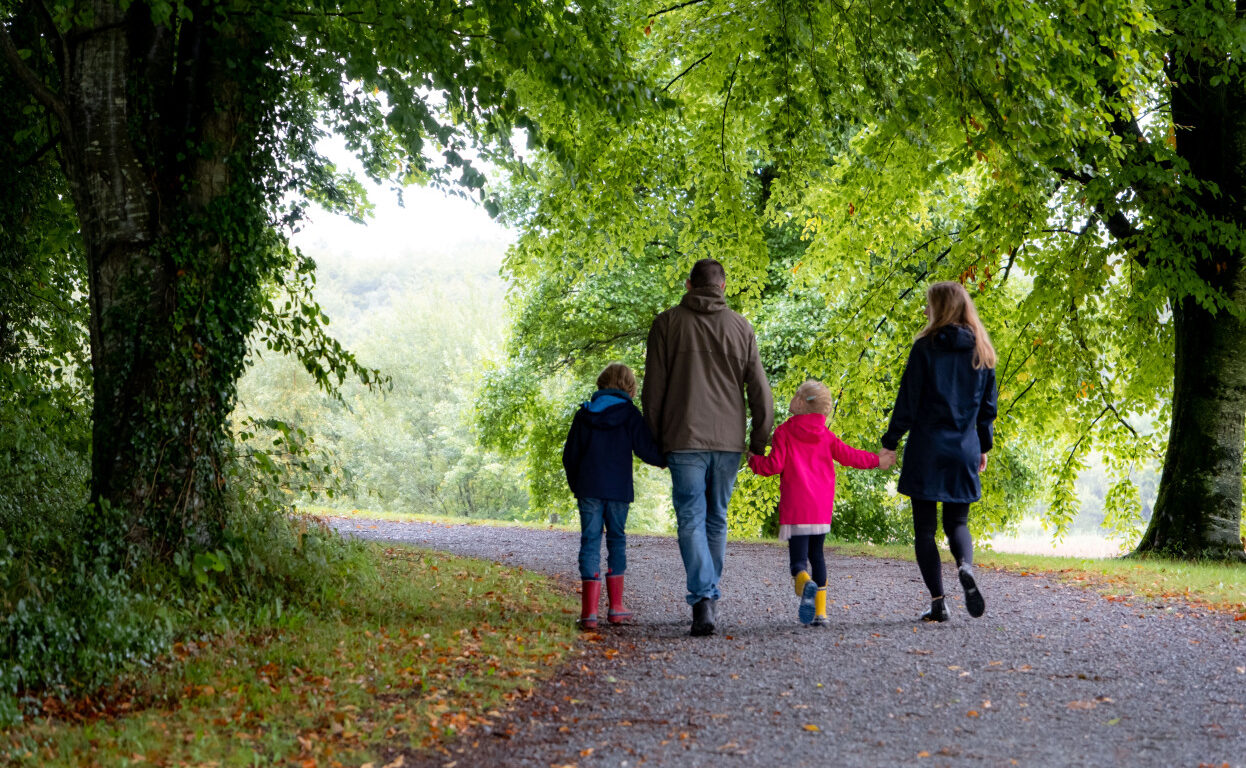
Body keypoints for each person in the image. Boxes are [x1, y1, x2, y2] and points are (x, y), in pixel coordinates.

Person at [642, 258, 774, 637]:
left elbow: (653, 390)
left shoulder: (666, 324)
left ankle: (703, 597)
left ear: (688, 285)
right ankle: (708, 597)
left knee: (691, 517)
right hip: (729, 442)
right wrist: (758, 441)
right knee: (716, 517)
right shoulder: (741, 327)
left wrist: (656, 439)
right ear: (723, 286)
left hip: (684, 438)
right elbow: (761, 391)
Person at [878, 281, 998, 622]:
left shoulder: (925, 348)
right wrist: (983, 447)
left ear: (941, 308)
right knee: (957, 522)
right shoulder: (982, 351)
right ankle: (965, 566)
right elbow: (987, 409)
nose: (925, 311)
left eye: (929, 305)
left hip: (927, 447)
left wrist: (891, 441)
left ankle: (939, 602)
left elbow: (908, 401)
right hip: (964, 448)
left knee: (925, 530)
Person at [747, 380, 894, 626]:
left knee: (798, 564)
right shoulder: (827, 436)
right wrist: (877, 461)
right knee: (818, 556)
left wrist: (754, 460)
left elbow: (774, 466)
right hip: (820, 508)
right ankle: (821, 613)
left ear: (803, 403)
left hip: (797, 507)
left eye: (796, 395)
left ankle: (805, 583)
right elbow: (851, 456)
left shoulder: (784, 432)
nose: (792, 399)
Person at [562, 362, 666, 630]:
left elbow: (569, 456)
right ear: (628, 385)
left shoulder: (583, 414)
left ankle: (589, 613)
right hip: (618, 491)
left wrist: (578, 485)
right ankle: (616, 607)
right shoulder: (630, 414)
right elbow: (645, 449)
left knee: (590, 541)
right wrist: (669, 459)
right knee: (617, 540)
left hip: (589, 489)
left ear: (602, 383)